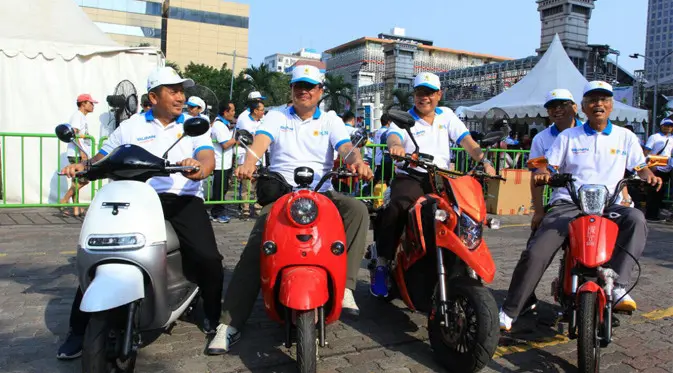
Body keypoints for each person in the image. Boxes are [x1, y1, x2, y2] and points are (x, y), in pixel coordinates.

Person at [56, 66, 224, 359]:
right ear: (153, 96)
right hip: (137, 199)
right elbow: (104, 156)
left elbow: (207, 157)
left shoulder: (194, 124)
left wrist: (200, 168)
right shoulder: (131, 127)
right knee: (104, 254)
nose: (180, 96)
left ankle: (211, 313)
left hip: (182, 199)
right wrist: (83, 167)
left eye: (182, 90)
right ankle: (79, 330)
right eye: (173, 90)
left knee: (208, 257)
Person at [206, 65, 373, 355]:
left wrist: (355, 161)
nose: (304, 91)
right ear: (292, 90)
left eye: (310, 87)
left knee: (357, 209)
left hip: (321, 193)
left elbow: (346, 148)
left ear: (320, 92)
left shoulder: (331, 120)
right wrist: (249, 162)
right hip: (283, 193)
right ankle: (228, 323)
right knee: (259, 243)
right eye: (299, 86)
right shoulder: (276, 116)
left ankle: (345, 287)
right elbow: (260, 142)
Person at [498, 81, 662, 332]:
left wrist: (649, 175)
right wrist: (543, 173)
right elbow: (547, 165)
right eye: (593, 100)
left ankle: (617, 284)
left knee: (636, 219)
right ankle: (511, 310)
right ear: (584, 107)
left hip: (609, 204)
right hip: (570, 203)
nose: (598, 104)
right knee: (536, 252)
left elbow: (639, 167)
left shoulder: (625, 136)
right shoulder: (567, 137)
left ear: (611, 105)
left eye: (604, 100)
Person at [370, 72, 496, 297]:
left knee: (464, 212)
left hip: (442, 178)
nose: (423, 97)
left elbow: (466, 141)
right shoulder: (404, 118)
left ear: (439, 94)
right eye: (419, 92)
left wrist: (484, 161)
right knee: (398, 206)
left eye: (428, 93)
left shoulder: (446, 115)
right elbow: (393, 137)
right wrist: (397, 147)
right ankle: (382, 262)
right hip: (412, 175)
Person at [59, 94, 96, 218]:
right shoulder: (77, 116)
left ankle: (75, 208)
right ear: (83, 103)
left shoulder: (82, 117)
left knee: (77, 181)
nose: (93, 105)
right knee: (84, 180)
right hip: (77, 154)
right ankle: (64, 200)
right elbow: (73, 134)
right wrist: (82, 152)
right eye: (91, 103)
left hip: (79, 153)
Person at [235, 100, 265, 218]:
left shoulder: (263, 121)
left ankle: (258, 208)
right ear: (255, 110)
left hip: (260, 158)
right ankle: (245, 209)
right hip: (246, 158)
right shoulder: (244, 120)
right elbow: (249, 139)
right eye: (261, 109)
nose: (263, 112)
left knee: (258, 185)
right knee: (247, 185)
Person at [210, 99, 238, 223]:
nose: (234, 113)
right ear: (225, 112)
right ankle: (217, 213)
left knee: (224, 188)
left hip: (225, 163)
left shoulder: (225, 124)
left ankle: (218, 210)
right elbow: (225, 144)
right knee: (219, 189)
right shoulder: (218, 125)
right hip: (219, 163)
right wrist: (237, 139)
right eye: (232, 110)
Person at [644, 118, 673, 222]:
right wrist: (650, 165)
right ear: (661, 126)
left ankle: (657, 214)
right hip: (655, 168)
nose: (668, 127)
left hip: (668, 168)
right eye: (666, 125)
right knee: (654, 192)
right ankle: (650, 215)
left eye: (670, 126)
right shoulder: (654, 137)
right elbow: (646, 151)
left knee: (662, 193)